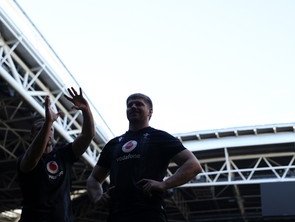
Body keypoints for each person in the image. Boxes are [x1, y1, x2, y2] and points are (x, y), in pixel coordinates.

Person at [87, 93, 202, 222]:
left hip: (149, 213)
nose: (133, 107)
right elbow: (94, 178)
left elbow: (193, 165)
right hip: (117, 214)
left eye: (139, 104)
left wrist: (164, 184)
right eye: (129, 105)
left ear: (150, 111)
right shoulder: (114, 144)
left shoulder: (160, 137)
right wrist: (97, 197)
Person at [17, 87, 95, 222]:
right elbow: (34, 156)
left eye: (51, 129)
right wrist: (48, 122)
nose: (48, 131)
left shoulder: (64, 155)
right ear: (32, 135)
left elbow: (88, 135)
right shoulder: (24, 159)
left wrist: (86, 109)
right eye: (40, 129)